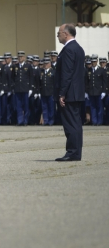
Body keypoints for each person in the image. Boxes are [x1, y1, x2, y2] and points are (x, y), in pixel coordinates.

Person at [54, 24, 85, 161]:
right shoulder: (78, 48)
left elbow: (66, 73)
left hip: (69, 94)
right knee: (76, 124)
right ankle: (76, 153)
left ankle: (72, 152)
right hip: (76, 92)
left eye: (59, 32)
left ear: (66, 34)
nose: (57, 35)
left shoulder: (68, 50)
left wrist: (62, 93)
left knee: (70, 124)